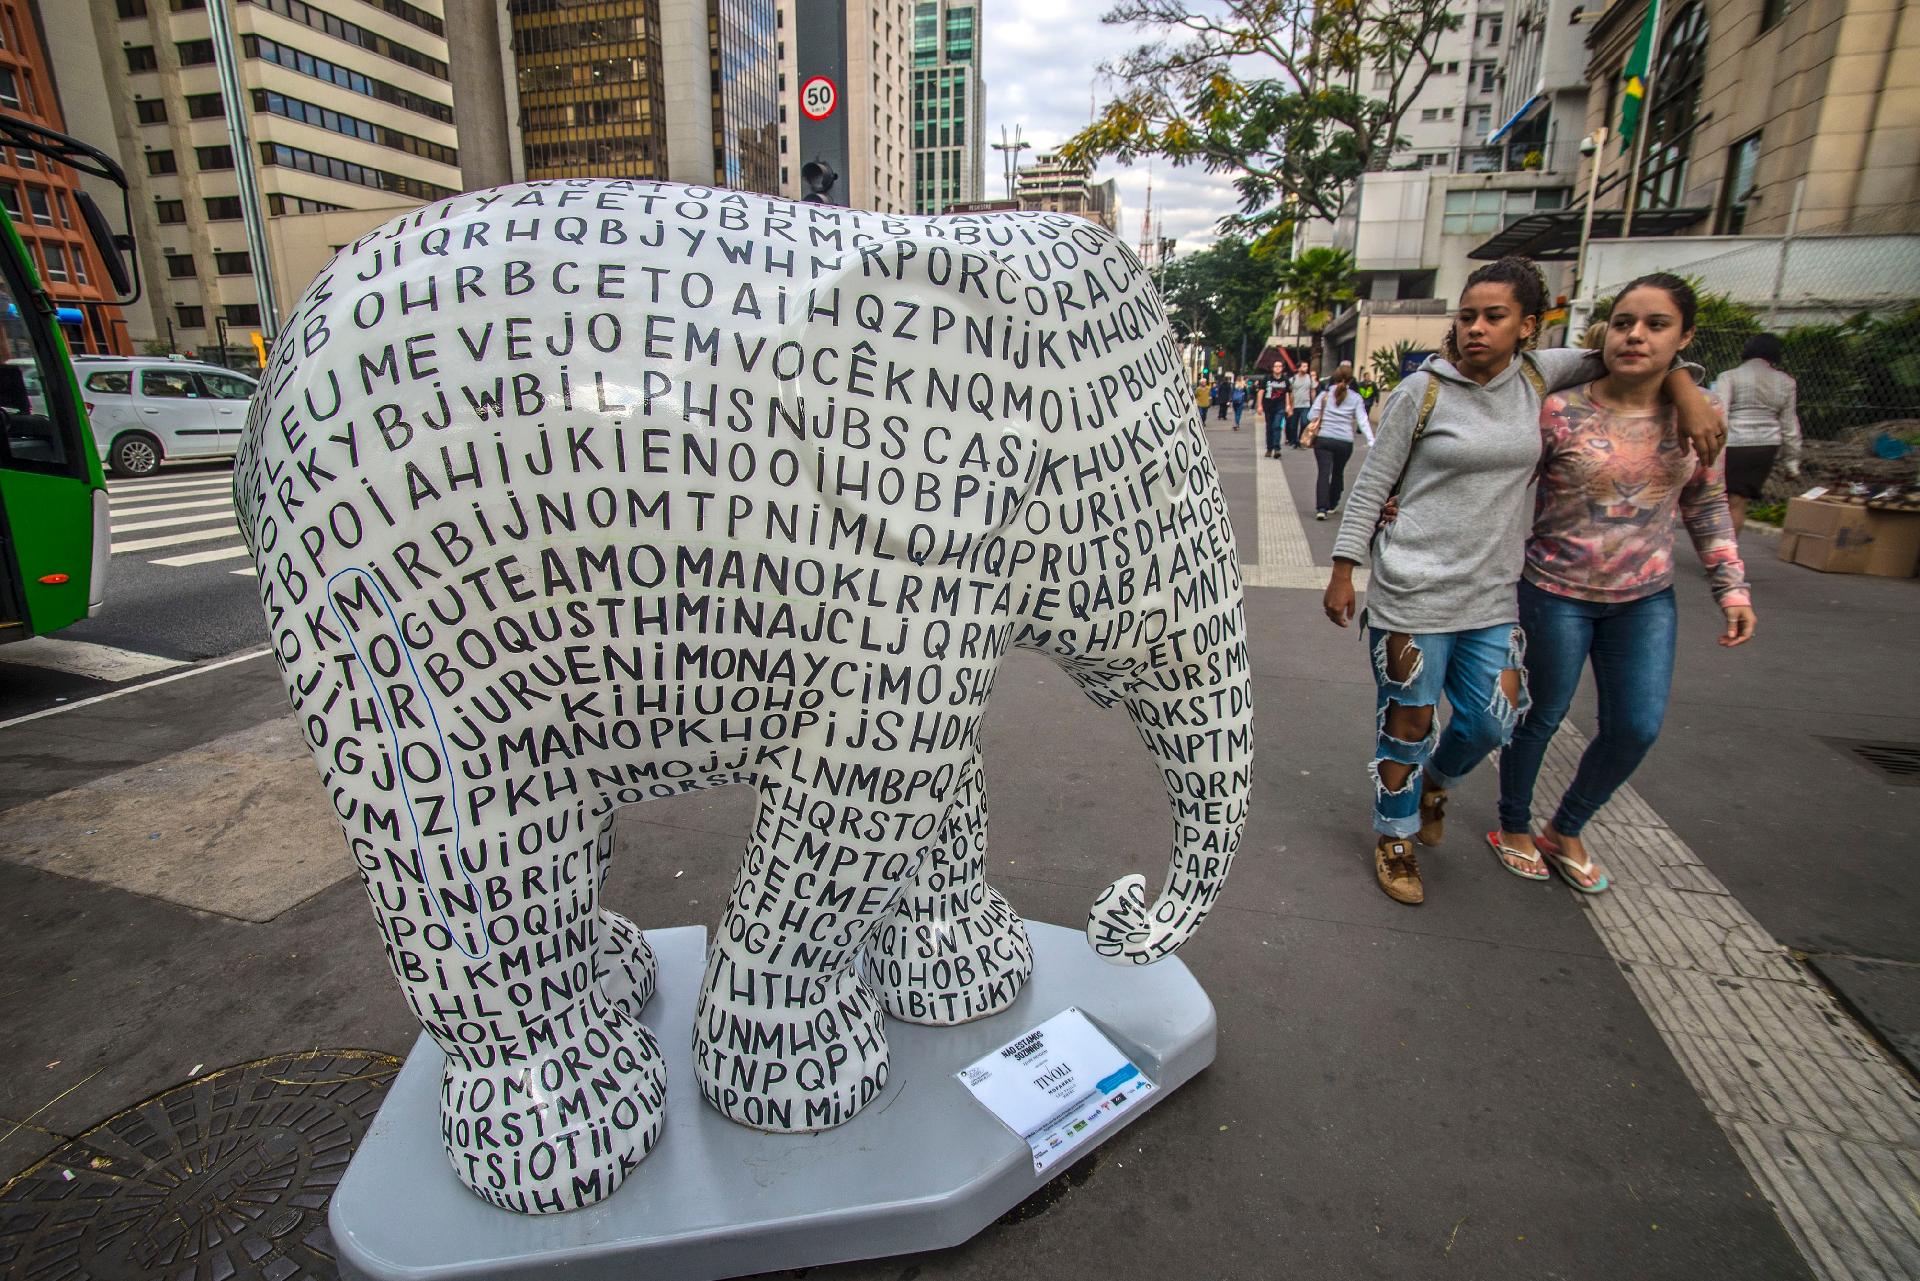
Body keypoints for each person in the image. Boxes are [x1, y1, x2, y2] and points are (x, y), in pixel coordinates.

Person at [1321, 257, 1724, 906]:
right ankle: (1393, 836)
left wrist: (1684, 388)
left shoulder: (1540, 375)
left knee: (1496, 720)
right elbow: (1371, 484)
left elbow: (1626, 357)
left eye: (1494, 316)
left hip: (1492, 596)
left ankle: (1436, 778)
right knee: (1407, 720)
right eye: (1468, 315)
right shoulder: (1421, 391)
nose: (1476, 328)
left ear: (1528, 326)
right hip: (1411, 593)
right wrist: (1344, 569)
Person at [1495, 274, 1756, 893]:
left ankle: (1568, 826)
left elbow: (1707, 505)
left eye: (1655, 325)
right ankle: (1512, 823)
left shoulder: (1700, 419)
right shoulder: (1559, 410)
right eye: (1623, 322)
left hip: (1645, 599)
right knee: (1541, 715)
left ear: (1685, 337)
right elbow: (1503, 495)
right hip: (1553, 590)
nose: (1634, 335)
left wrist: (1732, 588)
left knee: (1636, 726)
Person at [1714, 333, 1802, 533]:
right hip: (1766, 446)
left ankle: (1720, 552)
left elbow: (1721, 414)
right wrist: (1792, 463)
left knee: (1722, 500)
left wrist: (1713, 449)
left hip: (1734, 443)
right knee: (1739, 501)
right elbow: (1789, 424)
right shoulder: (1786, 382)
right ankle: (1728, 554)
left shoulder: (1729, 377)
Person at [1303, 364, 1374, 520]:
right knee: (1338, 472)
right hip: (1344, 441)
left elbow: (1310, 416)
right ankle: (1333, 503)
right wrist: (1371, 440)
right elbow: (1363, 420)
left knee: (1323, 472)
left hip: (1324, 439)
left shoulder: (1324, 396)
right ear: (1350, 380)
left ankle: (1321, 508)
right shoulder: (1355, 398)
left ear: (1334, 377)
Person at [1288, 366, 1316, 448]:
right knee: (1293, 425)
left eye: (1307, 366)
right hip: (1295, 405)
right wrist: (1289, 404)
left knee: (1304, 422)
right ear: (1299, 368)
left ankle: (1300, 439)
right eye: (1303, 366)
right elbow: (1290, 392)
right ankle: (1294, 441)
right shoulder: (1293, 379)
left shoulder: (1309, 378)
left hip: (1306, 404)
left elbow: (1312, 390)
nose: (1306, 368)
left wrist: (1313, 402)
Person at [1263, 373, 1289, 458]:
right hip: (1269, 406)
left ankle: (1277, 448)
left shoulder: (1285, 380)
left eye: (1279, 366)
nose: (1278, 368)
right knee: (1269, 428)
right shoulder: (1267, 378)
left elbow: (1287, 393)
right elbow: (1261, 391)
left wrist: (1288, 405)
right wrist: (1259, 405)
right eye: (1276, 366)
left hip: (1280, 406)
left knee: (1277, 426)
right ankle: (1269, 448)